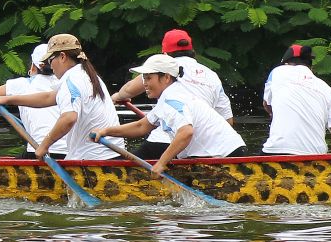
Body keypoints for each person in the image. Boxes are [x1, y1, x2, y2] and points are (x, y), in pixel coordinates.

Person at [96, 54, 247, 170]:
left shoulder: (173, 99)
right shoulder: (168, 97)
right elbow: (141, 127)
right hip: (218, 154)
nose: (145, 84)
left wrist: (161, 163)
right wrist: (106, 131)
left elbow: (186, 133)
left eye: (149, 78)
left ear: (166, 77)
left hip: (228, 156)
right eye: (144, 78)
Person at [0, 33, 120, 162]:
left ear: (62, 57)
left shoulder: (71, 81)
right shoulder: (88, 76)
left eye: (50, 60)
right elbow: (48, 98)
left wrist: (44, 145)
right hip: (111, 154)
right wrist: (8, 99)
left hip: (94, 159)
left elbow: (69, 118)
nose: (50, 66)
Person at [111, 27, 234, 128]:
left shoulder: (163, 67)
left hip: (181, 133)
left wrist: (117, 96)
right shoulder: (212, 75)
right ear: (193, 51)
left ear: (164, 54)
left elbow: (128, 90)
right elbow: (228, 121)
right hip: (208, 138)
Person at [0, 44, 67, 156]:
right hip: (69, 152)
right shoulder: (65, 84)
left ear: (33, 67)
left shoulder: (22, 84)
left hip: (39, 151)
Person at [263, 44, 331, 155]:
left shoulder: (277, 72)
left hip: (277, 151)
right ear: (311, 67)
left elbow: (266, 104)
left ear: (286, 63)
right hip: (315, 155)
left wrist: (273, 113)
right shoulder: (327, 89)